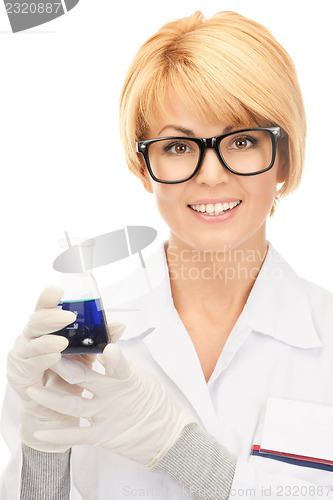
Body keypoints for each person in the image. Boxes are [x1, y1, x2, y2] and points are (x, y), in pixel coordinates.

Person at [1, 9, 333, 500]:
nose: (212, 175)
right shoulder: (75, 345)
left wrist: (179, 449)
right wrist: (43, 452)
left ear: (283, 156)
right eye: (178, 147)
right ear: (144, 167)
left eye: (241, 140)